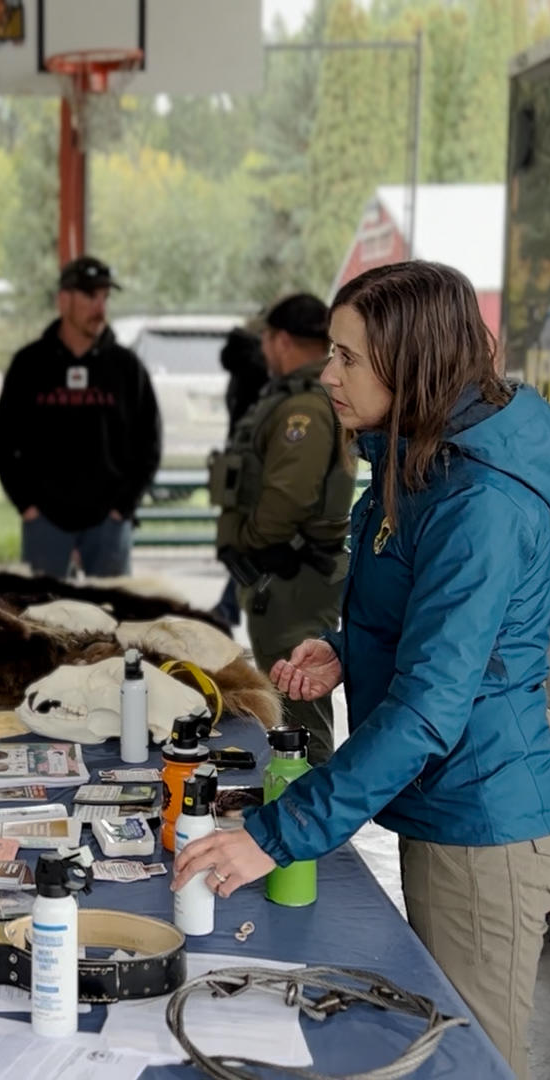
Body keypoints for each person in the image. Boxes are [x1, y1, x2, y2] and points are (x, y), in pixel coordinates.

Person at [173, 261, 550, 1079]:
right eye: (330, 352)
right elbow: (436, 625)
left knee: (469, 1061)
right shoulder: (423, 462)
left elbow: (430, 707)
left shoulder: (480, 502)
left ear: (413, 365)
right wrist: (345, 646)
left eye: (348, 358)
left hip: (487, 820)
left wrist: (274, 836)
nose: (327, 375)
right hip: (449, 804)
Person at [211, 293, 354, 761]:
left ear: (282, 340)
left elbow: (288, 497)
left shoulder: (304, 407)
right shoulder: (299, 396)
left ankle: (312, 793)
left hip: (292, 576)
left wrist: (246, 544)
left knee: (299, 709)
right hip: (284, 576)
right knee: (288, 702)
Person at [0, 256, 161, 579]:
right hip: (45, 526)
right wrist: (28, 507)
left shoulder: (127, 368)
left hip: (109, 528)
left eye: (105, 297)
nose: (100, 307)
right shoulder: (29, 365)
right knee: (42, 611)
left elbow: (149, 446)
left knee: (112, 611)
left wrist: (122, 508)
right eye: (90, 296)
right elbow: (2, 445)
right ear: (63, 300)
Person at [213, 317, 271, 625]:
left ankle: (227, 607)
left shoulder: (239, 366)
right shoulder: (261, 370)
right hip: (257, 467)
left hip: (237, 466)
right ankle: (228, 607)